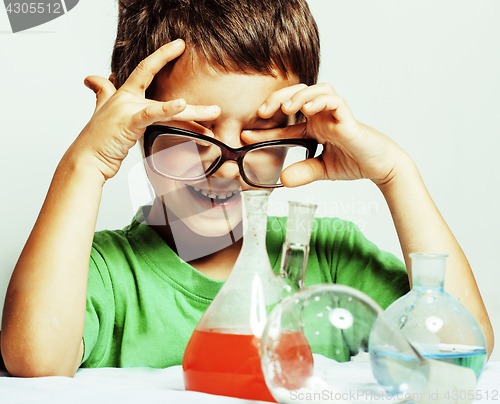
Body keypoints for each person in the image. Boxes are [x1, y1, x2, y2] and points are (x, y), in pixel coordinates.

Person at [0, 0, 493, 377]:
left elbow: (458, 352)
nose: (227, 168)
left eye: (261, 132)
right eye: (193, 130)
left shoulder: (331, 257)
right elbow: (34, 361)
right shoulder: (102, 274)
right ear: (132, 122)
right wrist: (85, 163)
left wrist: (396, 174)